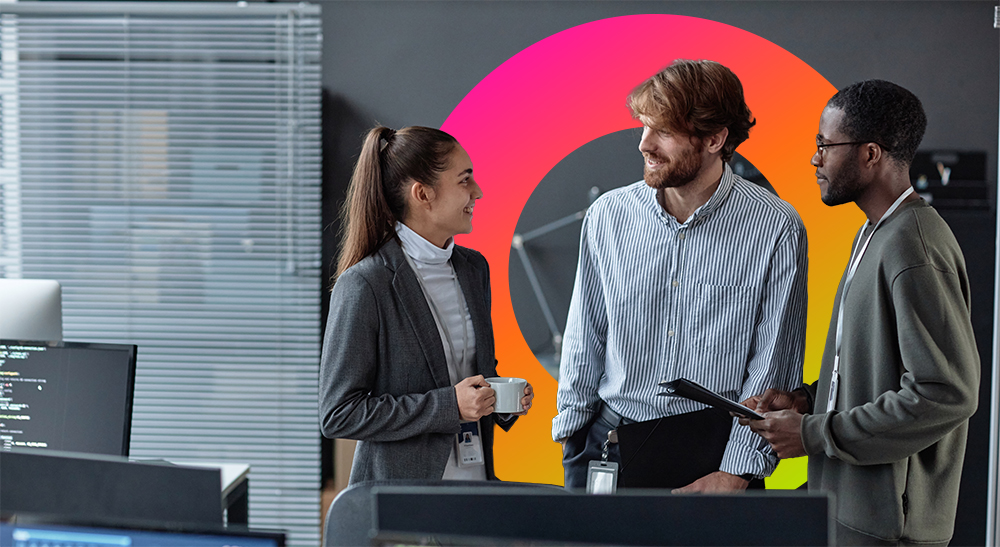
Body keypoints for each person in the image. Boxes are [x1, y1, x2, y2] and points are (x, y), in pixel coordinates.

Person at [551, 59, 808, 491]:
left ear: (715, 139)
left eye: (664, 132)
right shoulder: (608, 216)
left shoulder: (775, 226)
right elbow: (585, 334)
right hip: (608, 444)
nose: (644, 145)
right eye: (644, 127)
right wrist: (573, 440)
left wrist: (737, 471)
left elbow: (773, 363)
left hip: (715, 454)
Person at [742, 80, 979, 546]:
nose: (815, 159)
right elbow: (876, 370)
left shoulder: (914, 246)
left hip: (887, 528)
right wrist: (807, 402)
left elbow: (947, 392)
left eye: (825, 145)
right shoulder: (874, 234)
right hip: (847, 512)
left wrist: (815, 433)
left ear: (870, 154)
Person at [319, 125, 533, 483]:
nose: (477, 192)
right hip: (404, 502)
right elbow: (339, 414)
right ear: (423, 194)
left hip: (476, 483)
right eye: (465, 180)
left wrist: (502, 398)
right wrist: (450, 406)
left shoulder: (473, 268)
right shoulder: (364, 284)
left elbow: (472, 372)